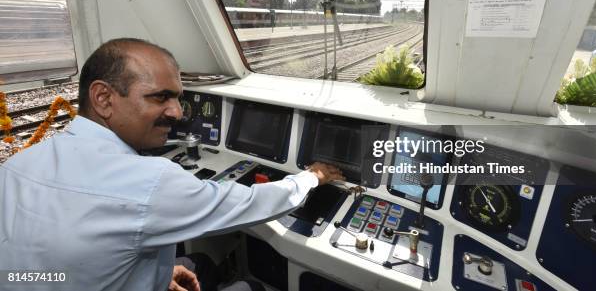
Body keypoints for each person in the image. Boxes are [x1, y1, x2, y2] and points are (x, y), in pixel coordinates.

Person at [0, 38, 344, 291]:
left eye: (178, 98)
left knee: (198, 265)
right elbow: (252, 203)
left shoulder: (17, 166)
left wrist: (152, 278)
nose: (178, 113)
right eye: (160, 97)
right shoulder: (149, 182)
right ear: (103, 98)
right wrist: (310, 177)